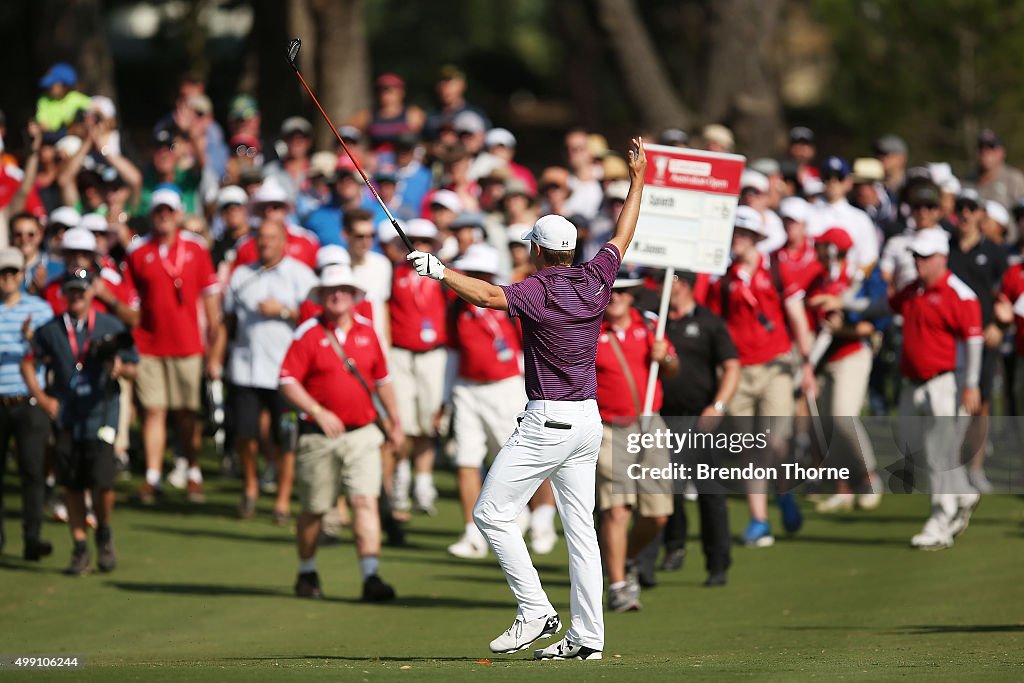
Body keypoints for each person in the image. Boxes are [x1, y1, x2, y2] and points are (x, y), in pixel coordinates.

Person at [406, 136, 648, 661]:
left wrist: (437, 270)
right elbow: (623, 237)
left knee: (491, 513)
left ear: (538, 250)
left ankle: (535, 609)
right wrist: (637, 181)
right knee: (581, 532)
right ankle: (587, 639)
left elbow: (491, 297)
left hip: (548, 422)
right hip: (588, 421)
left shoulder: (538, 289)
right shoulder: (596, 278)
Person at [279, 264, 403, 601]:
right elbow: (287, 380)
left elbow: (383, 380)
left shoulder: (368, 331)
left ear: (352, 297)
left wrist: (395, 420)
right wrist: (317, 411)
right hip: (318, 436)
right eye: (331, 290)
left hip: (362, 432)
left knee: (365, 501)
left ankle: (371, 576)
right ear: (321, 296)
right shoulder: (308, 332)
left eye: (344, 290)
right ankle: (306, 571)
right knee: (314, 509)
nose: (337, 295)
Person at [708, 206, 814, 547]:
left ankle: (782, 490)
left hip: (776, 365)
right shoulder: (724, 277)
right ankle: (759, 519)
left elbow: (797, 317)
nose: (737, 239)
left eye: (743, 233)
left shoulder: (777, 270)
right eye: (734, 232)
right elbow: (715, 325)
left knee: (775, 439)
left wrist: (808, 363)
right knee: (746, 447)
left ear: (755, 238)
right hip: (739, 369)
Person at [22, 268, 138, 575]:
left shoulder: (110, 326)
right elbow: (28, 360)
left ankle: (103, 531)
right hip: (67, 415)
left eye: (81, 291)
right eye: (70, 291)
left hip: (101, 412)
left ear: (91, 293)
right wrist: (43, 398)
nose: (76, 296)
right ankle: (79, 546)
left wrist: (119, 370)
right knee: (71, 483)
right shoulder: (51, 330)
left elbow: (134, 366)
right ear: (63, 294)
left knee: (102, 482)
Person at [127, 189, 221, 504]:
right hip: (149, 343)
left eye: (169, 210)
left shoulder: (196, 248)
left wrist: (214, 347)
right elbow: (132, 301)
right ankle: (153, 476)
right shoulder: (139, 250)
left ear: (179, 213)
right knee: (153, 411)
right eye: (159, 211)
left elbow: (210, 301)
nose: (164, 216)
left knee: (186, 413)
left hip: (188, 343)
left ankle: (192, 469)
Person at [891, 229, 982, 550]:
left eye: (925, 257)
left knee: (939, 453)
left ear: (942, 258)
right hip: (913, 383)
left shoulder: (960, 294)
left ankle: (940, 521)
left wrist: (971, 384)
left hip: (947, 382)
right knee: (917, 450)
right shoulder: (912, 290)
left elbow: (974, 342)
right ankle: (963, 494)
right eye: (916, 256)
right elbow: (886, 306)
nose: (918, 262)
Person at [221, 219, 317, 522]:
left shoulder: (300, 275)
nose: (265, 244)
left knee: (285, 437)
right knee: (245, 434)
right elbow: (227, 320)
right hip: (246, 367)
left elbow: (314, 317)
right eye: (261, 238)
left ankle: (283, 499)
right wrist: (215, 357)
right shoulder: (241, 274)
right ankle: (250, 486)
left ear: (283, 242)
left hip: (286, 372)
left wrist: (284, 311)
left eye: (271, 238)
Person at [594, 269, 678, 612]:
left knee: (658, 514)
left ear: (632, 296)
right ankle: (617, 585)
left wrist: (666, 358)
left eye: (623, 292)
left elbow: (672, 369)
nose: (616, 297)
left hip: (649, 423)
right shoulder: (590, 327)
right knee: (617, 509)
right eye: (611, 291)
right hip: (609, 427)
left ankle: (623, 560)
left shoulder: (650, 327)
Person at [651, 270, 739, 587]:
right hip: (661, 417)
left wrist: (718, 406)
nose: (661, 287)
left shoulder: (710, 322)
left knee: (709, 494)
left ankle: (717, 563)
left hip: (700, 419)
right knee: (666, 489)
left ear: (683, 284)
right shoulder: (657, 323)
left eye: (667, 281)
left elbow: (731, 365)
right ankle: (673, 547)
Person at [388, 219, 448, 514]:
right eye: (416, 240)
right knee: (404, 423)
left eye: (426, 241)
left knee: (428, 423)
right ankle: (401, 481)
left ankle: (423, 484)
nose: (420, 246)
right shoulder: (394, 273)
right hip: (400, 354)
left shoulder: (441, 274)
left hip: (433, 355)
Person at [0, 248, 55, 560]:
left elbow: (50, 353)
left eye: (12, 273)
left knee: (32, 471)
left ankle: (32, 538)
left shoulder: (40, 310)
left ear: (22, 276)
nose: (7, 279)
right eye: (2, 274)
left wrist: (31, 339)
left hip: (29, 399)